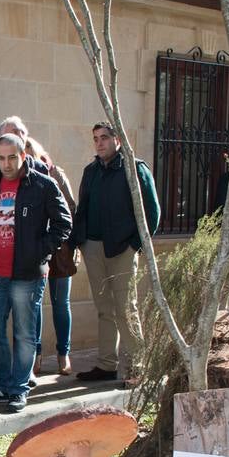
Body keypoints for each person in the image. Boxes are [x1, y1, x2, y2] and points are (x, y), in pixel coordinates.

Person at [0, 134, 69, 414]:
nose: (6, 163)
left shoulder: (42, 184)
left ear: (23, 156)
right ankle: (2, 384)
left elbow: (63, 222)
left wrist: (42, 251)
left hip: (27, 274)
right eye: (1, 158)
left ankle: (19, 389)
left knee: (24, 334)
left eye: (12, 157)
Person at [71, 122, 160, 383]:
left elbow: (152, 213)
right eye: (96, 139)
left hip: (123, 249)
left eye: (104, 138)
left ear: (117, 140)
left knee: (125, 308)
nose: (99, 143)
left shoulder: (135, 169)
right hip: (93, 247)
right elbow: (83, 209)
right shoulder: (91, 171)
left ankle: (136, 368)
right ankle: (106, 364)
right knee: (104, 308)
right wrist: (80, 240)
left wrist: (135, 244)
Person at [25, 137, 80, 376]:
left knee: (60, 303)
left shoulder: (55, 174)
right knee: (35, 306)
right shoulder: (22, 179)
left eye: (29, 153)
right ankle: (36, 356)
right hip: (36, 250)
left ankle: (63, 355)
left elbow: (71, 208)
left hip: (59, 250)